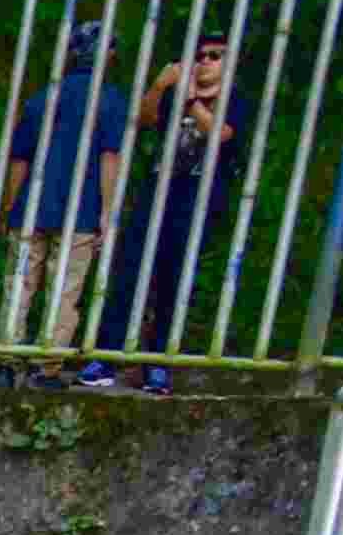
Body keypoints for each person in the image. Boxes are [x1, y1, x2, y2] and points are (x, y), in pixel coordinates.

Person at [85, 32, 250, 393]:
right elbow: (143, 118)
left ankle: (159, 361)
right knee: (130, 270)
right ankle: (106, 356)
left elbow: (220, 134)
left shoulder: (234, 99)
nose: (206, 61)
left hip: (197, 197)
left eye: (215, 55)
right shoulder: (175, 92)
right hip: (157, 190)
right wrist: (160, 86)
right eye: (200, 54)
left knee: (173, 278)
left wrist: (190, 100)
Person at [0, 20, 124, 385]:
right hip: (78, 211)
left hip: (30, 208)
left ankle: (6, 363)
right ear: (108, 55)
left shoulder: (41, 97)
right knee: (63, 293)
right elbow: (109, 158)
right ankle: (46, 368)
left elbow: (19, 159)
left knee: (18, 286)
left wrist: (9, 206)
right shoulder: (110, 99)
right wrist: (108, 213)